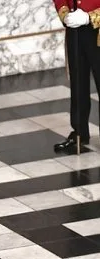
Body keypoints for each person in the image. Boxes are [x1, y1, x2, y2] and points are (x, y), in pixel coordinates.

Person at [53, 0, 100, 151]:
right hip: (75, 28)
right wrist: (65, 14)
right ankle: (79, 132)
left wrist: (89, 17)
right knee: (78, 82)